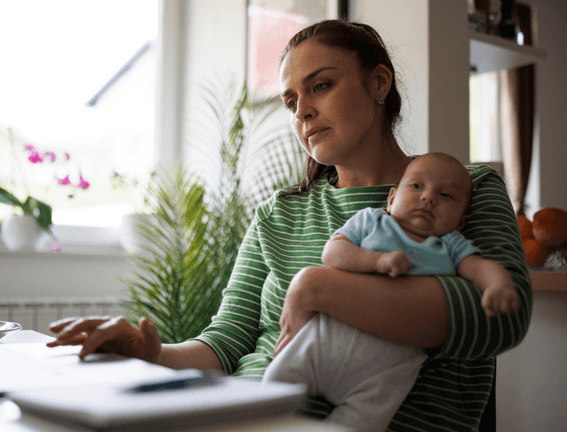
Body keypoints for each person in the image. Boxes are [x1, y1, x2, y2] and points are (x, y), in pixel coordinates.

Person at [47, 20, 532, 431]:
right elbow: (226, 342)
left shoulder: (464, 189)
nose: (302, 110)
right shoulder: (276, 215)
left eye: (320, 85)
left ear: (379, 83)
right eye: (290, 100)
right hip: (244, 413)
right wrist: (149, 352)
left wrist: (317, 287)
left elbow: (501, 316)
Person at [261, 152, 520, 431]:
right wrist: (377, 260)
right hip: (323, 343)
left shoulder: (450, 246)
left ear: (460, 222)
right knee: (274, 388)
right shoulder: (372, 221)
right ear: (392, 197)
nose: (428, 198)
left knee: (362, 422)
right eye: (416, 186)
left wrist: (499, 285)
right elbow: (333, 253)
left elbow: (480, 267)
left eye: (445, 196)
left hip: (386, 372)